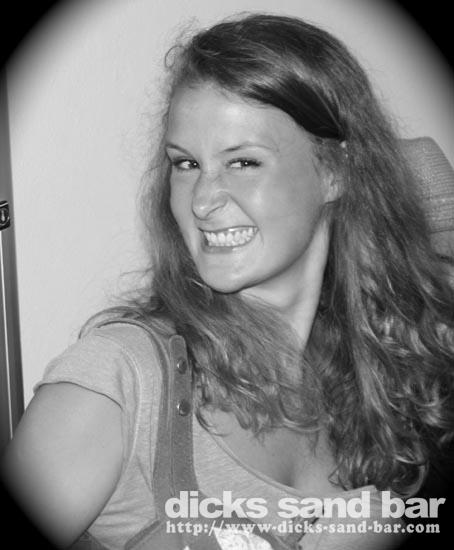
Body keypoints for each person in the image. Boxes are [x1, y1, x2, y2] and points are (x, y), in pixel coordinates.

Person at [2, 12, 454, 550]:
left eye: (242, 162)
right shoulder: (120, 380)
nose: (202, 200)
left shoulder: (379, 388)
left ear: (335, 172)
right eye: (186, 164)